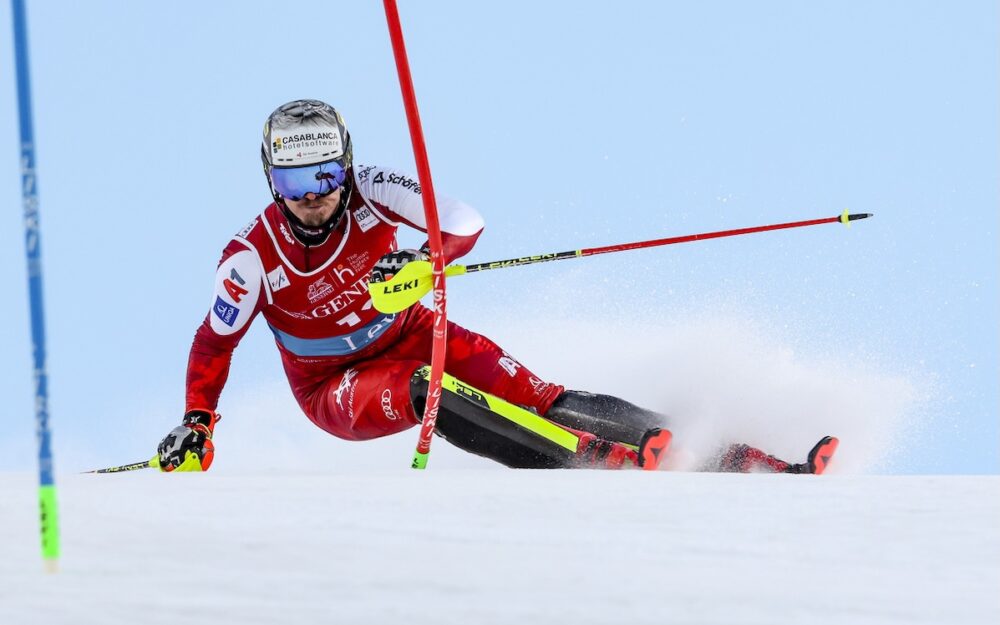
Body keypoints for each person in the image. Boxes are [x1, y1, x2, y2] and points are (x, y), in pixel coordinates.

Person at [156, 99, 836, 474]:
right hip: (334, 385)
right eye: (295, 185)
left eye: (326, 177)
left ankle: (742, 458)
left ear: (348, 167)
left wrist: (424, 261)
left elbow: (463, 220)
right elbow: (213, 345)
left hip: (408, 330)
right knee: (431, 390)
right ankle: (596, 465)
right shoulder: (251, 259)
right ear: (271, 181)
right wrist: (197, 424)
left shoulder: (373, 191)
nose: (313, 200)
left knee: (539, 394)